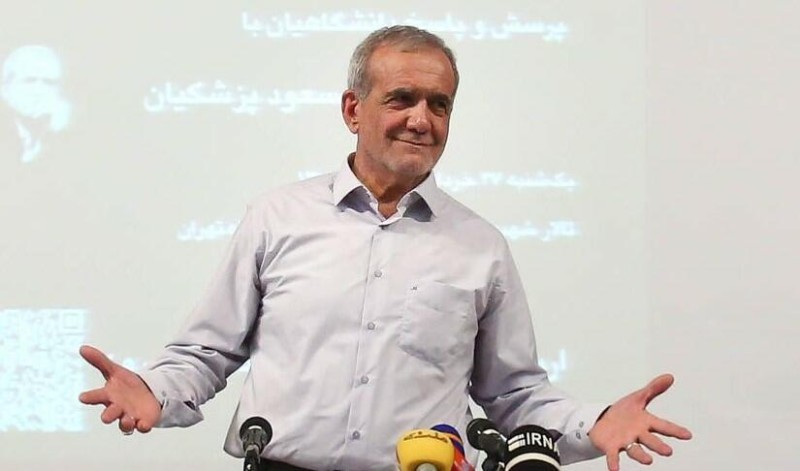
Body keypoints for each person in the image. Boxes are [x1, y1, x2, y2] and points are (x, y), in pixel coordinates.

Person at [79, 26, 691, 471]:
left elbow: (512, 394)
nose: (422, 120)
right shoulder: (277, 217)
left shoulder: (481, 247)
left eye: (439, 104)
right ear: (353, 109)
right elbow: (208, 351)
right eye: (402, 98)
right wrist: (155, 391)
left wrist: (594, 423)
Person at [1, 44, 72, 165]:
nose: (39, 91)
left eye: (49, 83)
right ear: (5, 89)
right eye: (29, 81)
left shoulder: (69, 138)